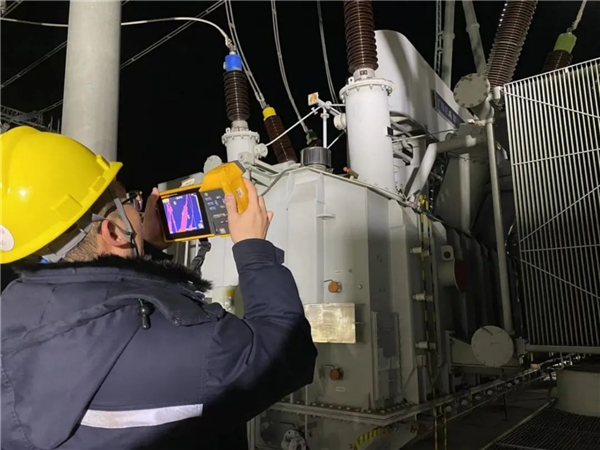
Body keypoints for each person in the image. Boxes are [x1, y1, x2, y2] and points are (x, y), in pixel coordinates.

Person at [0, 126, 317, 450]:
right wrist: (253, 249)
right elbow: (287, 353)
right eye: (131, 200)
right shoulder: (180, 347)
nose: (139, 210)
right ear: (112, 231)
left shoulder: (12, 317)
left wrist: (143, 248)